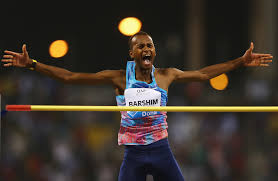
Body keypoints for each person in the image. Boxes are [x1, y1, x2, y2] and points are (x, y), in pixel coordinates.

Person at [1, 31, 273, 181]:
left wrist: (239, 62)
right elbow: (71, 78)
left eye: (150, 45)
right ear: (132, 54)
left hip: (161, 151)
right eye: (140, 45)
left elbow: (204, 74)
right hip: (134, 155)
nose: (146, 48)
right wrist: (33, 65)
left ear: (154, 51)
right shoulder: (119, 78)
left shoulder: (166, 75)